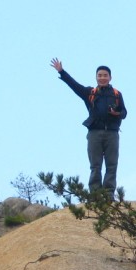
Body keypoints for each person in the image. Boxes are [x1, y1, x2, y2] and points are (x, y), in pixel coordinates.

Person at [50, 57, 128, 199]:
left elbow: (124, 113)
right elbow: (74, 85)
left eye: (105, 75)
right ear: (96, 77)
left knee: (112, 165)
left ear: (110, 77)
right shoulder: (90, 93)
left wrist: (116, 113)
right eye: (100, 75)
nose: (102, 78)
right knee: (95, 165)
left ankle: (109, 194)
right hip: (94, 133)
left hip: (112, 133)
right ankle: (96, 195)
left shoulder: (116, 94)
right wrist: (62, 72)